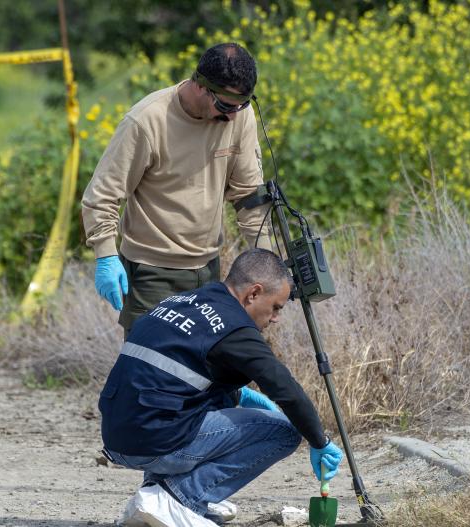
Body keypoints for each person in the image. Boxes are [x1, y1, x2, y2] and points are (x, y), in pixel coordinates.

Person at [98, 248, 344, 526]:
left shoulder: (182, 301)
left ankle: (153, 496)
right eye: (276, 307)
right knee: (285, 431)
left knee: (213, 401)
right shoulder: (234, 328)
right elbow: (285, 389)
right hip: (154, 443)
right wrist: (318, 441)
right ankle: (180, 498)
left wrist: (238, 393)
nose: (276, 318)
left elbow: (174, 373)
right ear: (254, 293)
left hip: (117, 438)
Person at [81, 42, 273, 334]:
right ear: (200, 86)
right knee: (153, 371)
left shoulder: (238, 115)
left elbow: (249, 195)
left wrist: (266, 261)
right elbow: (103, 196)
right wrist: (106, 255)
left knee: (206, 369)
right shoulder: (146, 121)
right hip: (151, 272)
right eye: (225, 106)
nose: (232, 116)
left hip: (208, 268)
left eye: (241, 106)